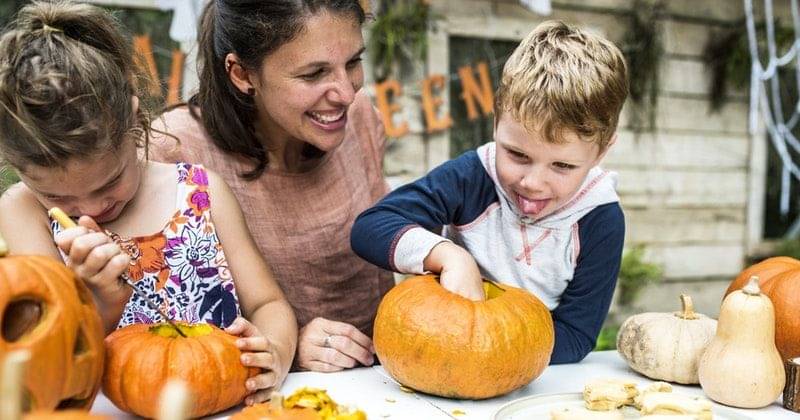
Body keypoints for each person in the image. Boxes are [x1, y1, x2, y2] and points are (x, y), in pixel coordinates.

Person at [0, 1, 296, 404]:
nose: (89, 210)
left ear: (135, 122)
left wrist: (274, 352)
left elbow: (268, 303)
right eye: (57, 197)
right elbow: (48, 364)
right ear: (17, 169)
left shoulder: (199, 193)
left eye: (111, 180)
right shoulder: (22, 214)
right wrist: (96, 299)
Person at [351, 20, 629, 364]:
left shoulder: (601, 219)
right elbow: (371, 227)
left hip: (525, 375)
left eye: (562, 166)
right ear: (496, 121)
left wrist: (488, 353)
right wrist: (450, 255)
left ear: (601, 152)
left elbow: (576, 335)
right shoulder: (473, 177)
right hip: (441, 350)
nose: (533, 182)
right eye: (517, 155)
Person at [149, 0, 393, 372]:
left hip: (387, 386)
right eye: (314, 74)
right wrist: (284, 346)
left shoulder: (360, 117)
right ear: (242, 74)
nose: (346, 93)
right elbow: (152, 332)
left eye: (354, 63)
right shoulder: (174, 152)